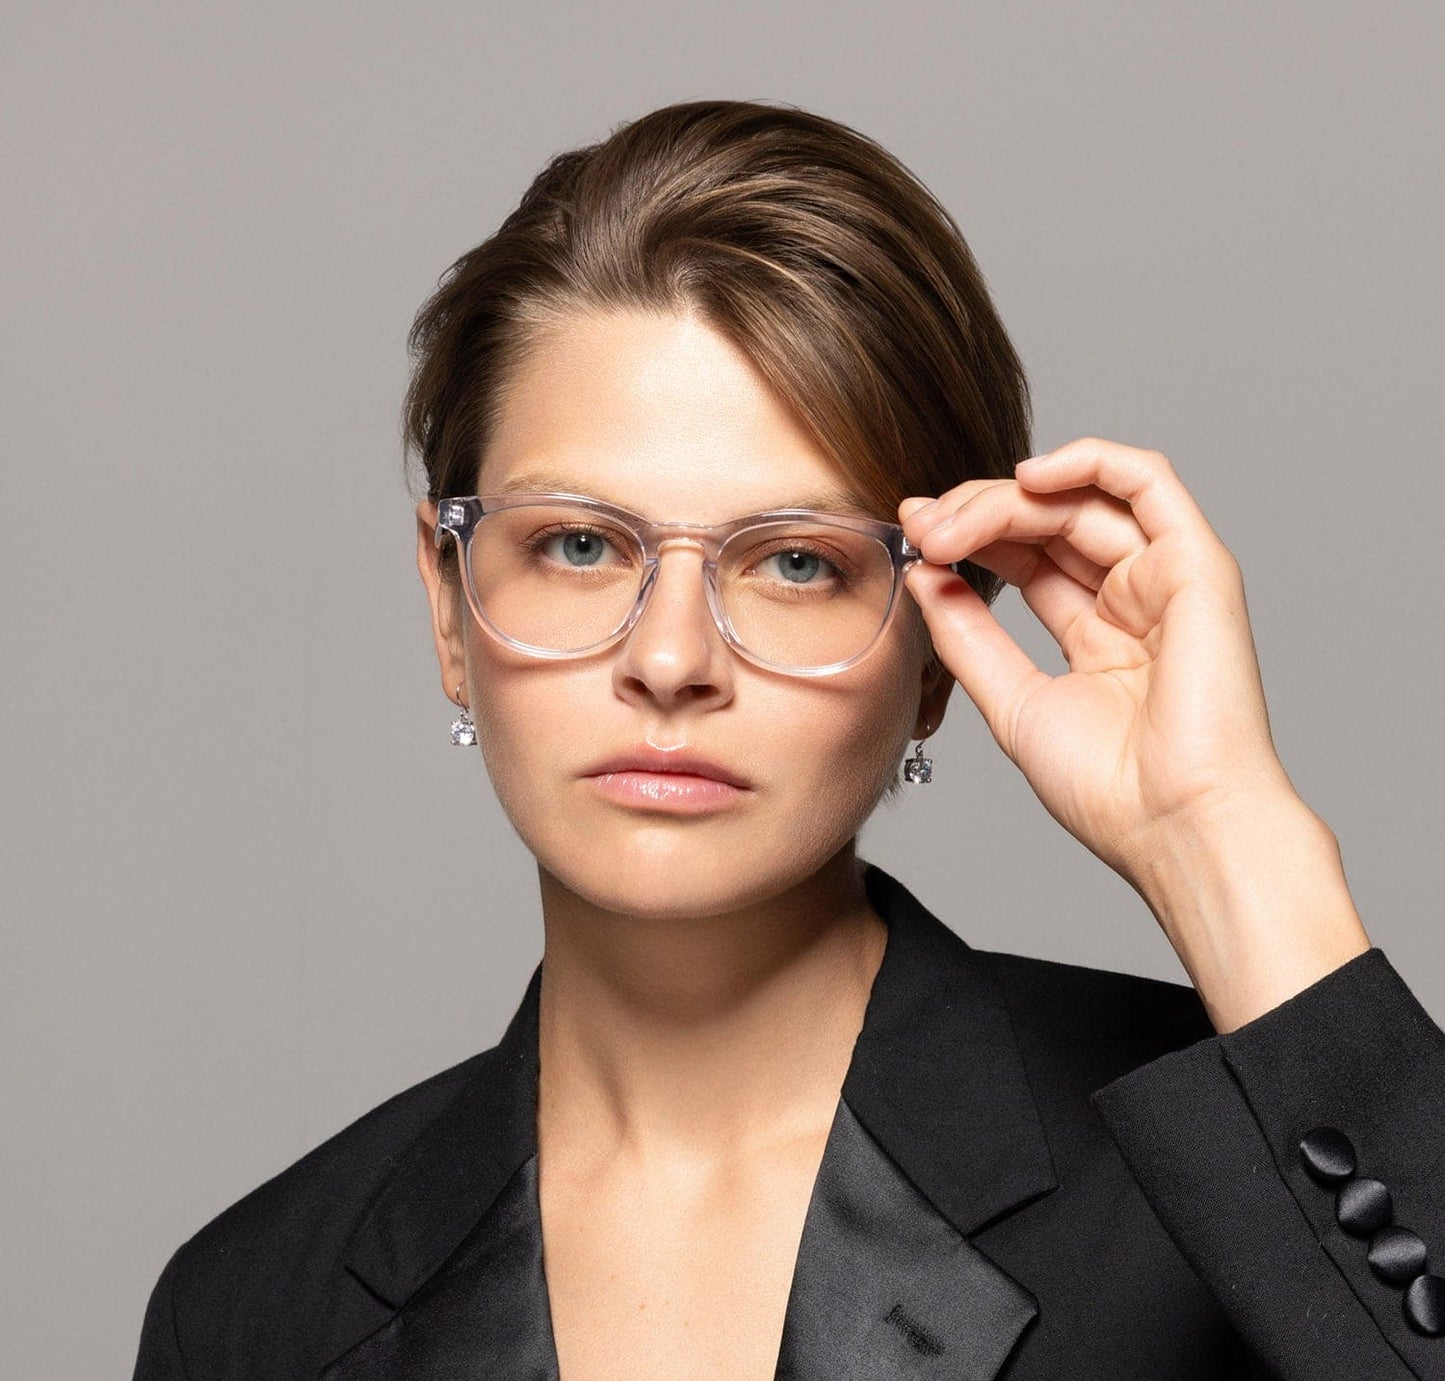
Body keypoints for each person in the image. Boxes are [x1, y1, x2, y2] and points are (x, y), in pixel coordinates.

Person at [132, 100, 1445, 1379]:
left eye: (797, 562)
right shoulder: (259, 1308)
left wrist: (1222, 841)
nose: (669, 660)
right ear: (449, 603)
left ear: (939, 646)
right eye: (578, 545)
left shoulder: (1229, 1191)